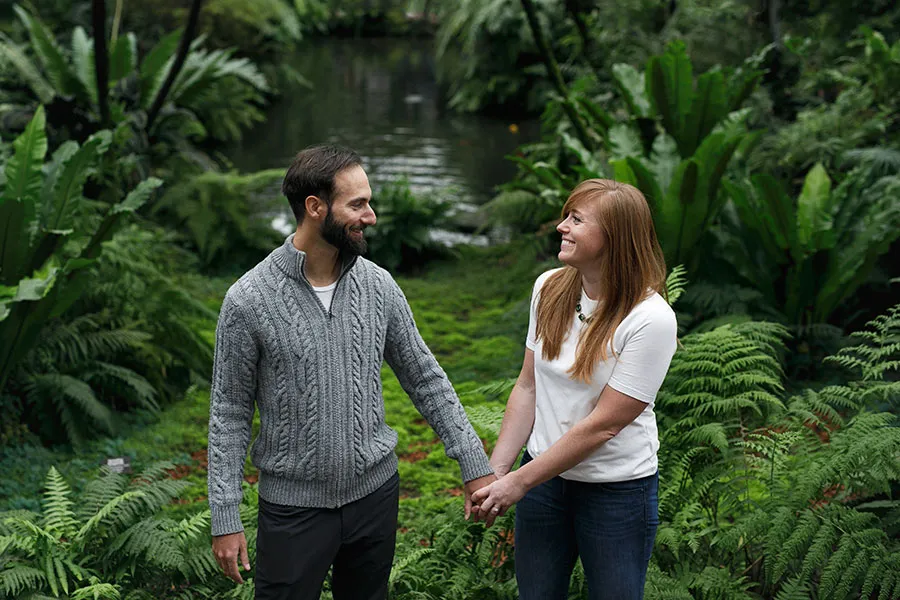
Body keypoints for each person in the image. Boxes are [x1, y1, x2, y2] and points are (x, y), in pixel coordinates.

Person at [207, 144, 496, 600]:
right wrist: (224, 516)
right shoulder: (248, 299)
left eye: (369, 201)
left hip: (375, 498)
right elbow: (229, 412)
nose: (371, 215)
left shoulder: (379, 286)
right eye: (357, 204)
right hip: (291, 509)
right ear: (315, 208)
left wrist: (473, 462)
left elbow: (425, 377)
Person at [471, 179, 677, 600]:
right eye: (567, 216)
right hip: (543, 485)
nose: (562, 226)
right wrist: (496, 473)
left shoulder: (650, 319)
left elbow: (604, 426)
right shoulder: (549, 288)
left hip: (616, 492)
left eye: (577, 219)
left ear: (613, 238)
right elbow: (527, 387)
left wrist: (518, 482)